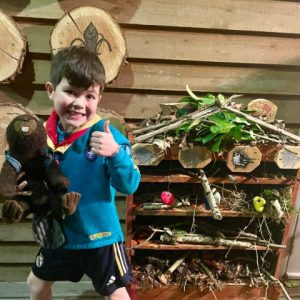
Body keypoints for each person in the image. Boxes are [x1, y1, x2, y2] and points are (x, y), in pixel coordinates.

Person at [26, 46, 141, 300]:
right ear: (50, 90)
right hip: (61, 235)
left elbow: (130, 184)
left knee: (117, 294)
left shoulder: (108, 136)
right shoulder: (42, 137)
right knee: (35, 284)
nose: (79, 103)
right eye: (70, 92)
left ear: (99, 98)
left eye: (89, 96)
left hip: (100, 237)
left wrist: (115, 154)